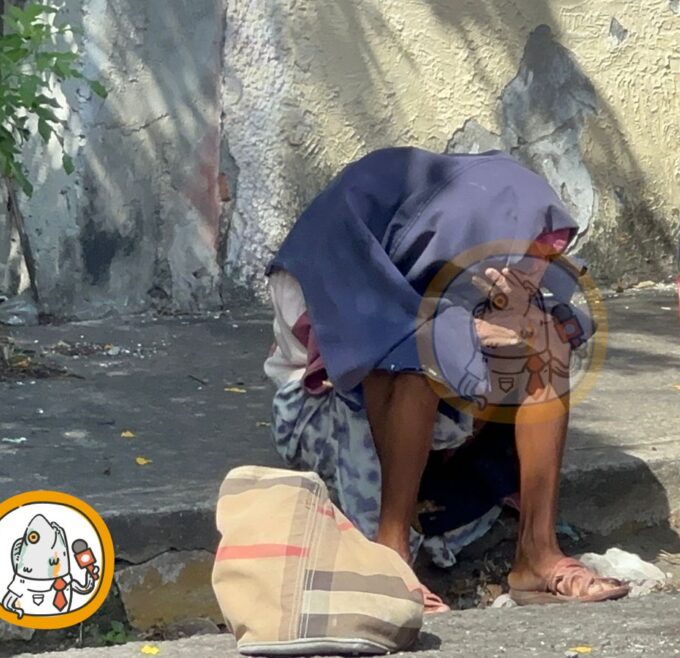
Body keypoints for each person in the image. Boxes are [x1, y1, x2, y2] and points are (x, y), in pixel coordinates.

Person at [263, 147, 629, 613]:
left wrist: (513, 322)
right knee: (410, 350)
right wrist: (468, 332)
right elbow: (352, 356)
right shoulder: (329, 249)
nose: (530, 277)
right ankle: (390, 554)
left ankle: (536, 554)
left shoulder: (452, 239)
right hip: (327, 410)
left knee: (545, 342)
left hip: (440, 420)